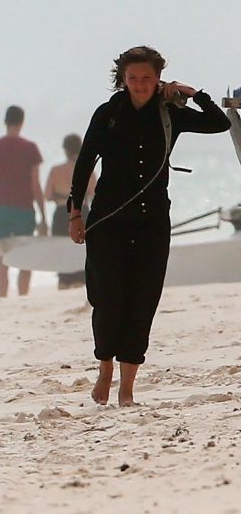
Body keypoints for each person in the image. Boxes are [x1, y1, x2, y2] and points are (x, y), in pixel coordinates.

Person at [69, 46, 229, 407]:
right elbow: (84, 164)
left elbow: (219, 123)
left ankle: (127, 388)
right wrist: (75, 213)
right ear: (122, 80)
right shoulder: (108, 114)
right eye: (133, 78)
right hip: (108, 220)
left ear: (158, 79)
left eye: (146, 78)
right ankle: (105, 368)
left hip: (152, 221)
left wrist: (192, 93)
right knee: (108, 299)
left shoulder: (170, 113)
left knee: (143, 300)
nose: (140, 84)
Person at [0, 106, 48, 297]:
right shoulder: (30, 148)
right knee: (25, 258)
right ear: (22, 122)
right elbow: (35, 184)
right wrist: (43, 215)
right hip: (24, 209)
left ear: (5, 121)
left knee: (3, 257)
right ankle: (22, 297)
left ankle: (2, 299)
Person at [44, 134, 95, 289]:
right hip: (82, 211)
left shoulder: (55, 170)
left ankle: (64, 282)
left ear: (65, 150)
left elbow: (47, 195)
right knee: (81, 251)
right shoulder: (87, 169)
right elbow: (94, 193)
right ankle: (81, 283)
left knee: (62, 251)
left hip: (61, 212)